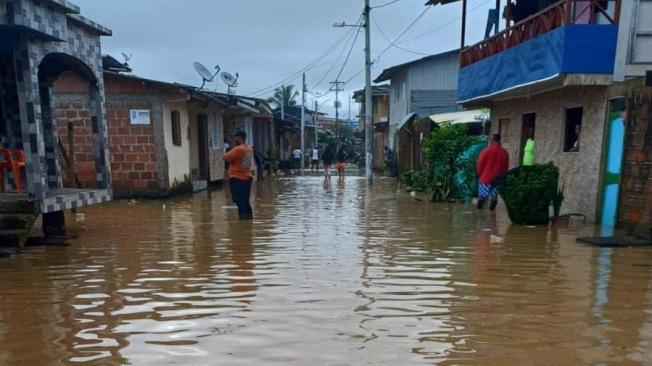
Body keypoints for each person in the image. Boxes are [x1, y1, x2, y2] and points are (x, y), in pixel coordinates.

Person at [224, 131, 254, 220]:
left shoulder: (238, 149)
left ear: (239, 138)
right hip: (247, 177)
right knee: (245, 201)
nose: (234, 140)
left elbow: (225, 157)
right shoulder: (249, 148)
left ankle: (243, 222)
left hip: (238, 178)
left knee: (239, 201)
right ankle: (248, 222)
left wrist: (227, 149)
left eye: (235, 138)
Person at [476, 133, 509, 211]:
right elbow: (505, 167)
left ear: (491, 140)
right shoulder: (504, 152)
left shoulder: (485, 151)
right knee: (494, 197)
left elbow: (480, 164)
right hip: (497, 179)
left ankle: (479, 215)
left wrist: (478, 174)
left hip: (485, 178)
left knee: (482, 197)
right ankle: (492, 216)